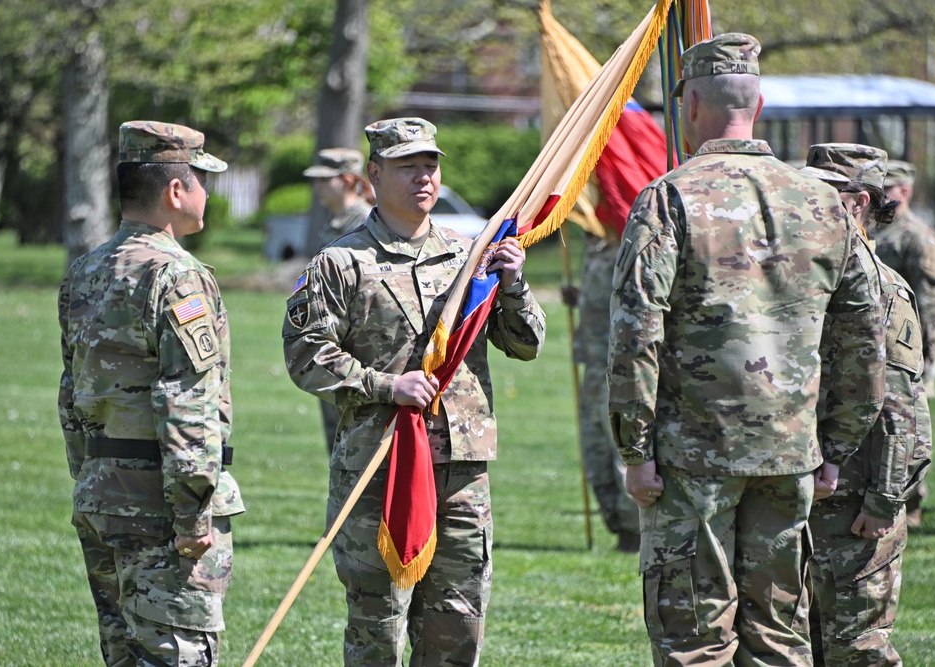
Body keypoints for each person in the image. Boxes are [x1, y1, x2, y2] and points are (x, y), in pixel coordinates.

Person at [607, 34, 886, 665]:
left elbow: (634, 331)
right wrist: (837, 446)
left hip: (692, 457)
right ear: (756, 104)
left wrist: (634, 447)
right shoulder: (823, 201)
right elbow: (863, 334)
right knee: (780, 639)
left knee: (693, 640)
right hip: (791, 454)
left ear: (693, 103)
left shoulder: (669, 197)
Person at [282, 117, 546, 665]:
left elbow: (526, 343)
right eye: (408, 167)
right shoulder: (340, 262)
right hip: (377, 465)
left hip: (460, 470)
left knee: (457, 623)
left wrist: (514, 283)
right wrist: (384, 385)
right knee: (379, 626)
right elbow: (307, 357)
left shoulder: (470, 255)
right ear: (374, 175)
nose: (424, 177)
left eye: (431, 164)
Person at [58, 121, 244, 666]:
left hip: (102, 493)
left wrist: (89, 477)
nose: (207, 195)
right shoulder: (178, 275)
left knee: (124, 654)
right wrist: (192, 516)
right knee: (175, 653)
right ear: (175, 190)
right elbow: (186, 401)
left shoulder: (85, 270)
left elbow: (71, 392)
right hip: (161, 509)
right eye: (202, 181)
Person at [801, 143, 932, 666]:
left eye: (820, 194)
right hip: (811, 490)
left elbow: (899, 406)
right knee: (805, 644)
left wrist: (883, 501)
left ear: (857, 203)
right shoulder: (817, 275)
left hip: (858, 498)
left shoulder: (882, 288)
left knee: (857, 648)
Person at [867, 159, 935, 527]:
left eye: (891, 188)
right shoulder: (876, 231)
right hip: (875, 345)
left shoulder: (917, 237)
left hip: (908, 346)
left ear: (906, 192)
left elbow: (930, 299)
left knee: (910, 423)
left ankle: (912, 501)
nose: (884, 196)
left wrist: (928, 349)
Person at [562, 231, 642, 552]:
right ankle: (615, 522)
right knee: (594, 448)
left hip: (620, 367)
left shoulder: (628, 246)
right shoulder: (594, 248)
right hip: (593, 366)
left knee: (621, 446)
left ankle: (633, 533)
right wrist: (578, 296)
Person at [303, 147, 375, 454]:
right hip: (332, 341)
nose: (317, 187)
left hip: (353, 346)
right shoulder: (337, 221)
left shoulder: (363, 221)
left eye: (325, 179)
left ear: (347, 180)